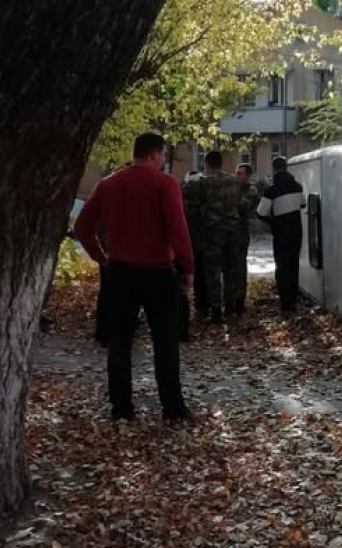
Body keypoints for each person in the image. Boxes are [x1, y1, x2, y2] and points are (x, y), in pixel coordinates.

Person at [74, 132, 193, 422]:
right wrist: (188, 268)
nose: (164, 160)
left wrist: (102, 259)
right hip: (158, 274)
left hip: (121, 273)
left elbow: (82, 227)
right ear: (155, 154)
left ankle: (122, 408)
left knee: (120, 343)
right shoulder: (166, 184)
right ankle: (172, 408)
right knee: (165, 342)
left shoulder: (109, 184)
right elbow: (178, 230)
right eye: (163, 155)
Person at [257, 156, 304, 313]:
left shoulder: (271, 191)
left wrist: (272, 222)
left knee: (282, 267)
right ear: (286, 168)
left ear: (274, 169)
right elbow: (302, 204)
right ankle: (293, 299)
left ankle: (285, 302)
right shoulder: (298, 187)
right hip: (297, 232)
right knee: (293, 265)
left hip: (281, 234)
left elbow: (260, 213)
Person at [198, 151, 241, 323]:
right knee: (231, 270)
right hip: (232, 231)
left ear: (207, 163)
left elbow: (198, 205)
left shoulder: (204, 183)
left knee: (213, 272)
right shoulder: (233, 181)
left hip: (213, 232)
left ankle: (216, 311)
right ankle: (230, 307)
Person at [234, 163, 260, 314]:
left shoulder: (252, 191)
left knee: (239, 269)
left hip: (241, 234)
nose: (237, 176)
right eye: (236, 173)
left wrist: (232, 194)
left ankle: (239, 301)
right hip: (229, 234)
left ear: (248, 176)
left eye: (240, 174)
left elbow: (245, 207)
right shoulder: (233, 188)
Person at [182, 170, 208, 320]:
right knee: (202, 277)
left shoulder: (181, 193)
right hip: (201, 242)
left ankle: (182, 310)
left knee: (182, 277)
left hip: (184, 242)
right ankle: (202, 307)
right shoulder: (204, 195)